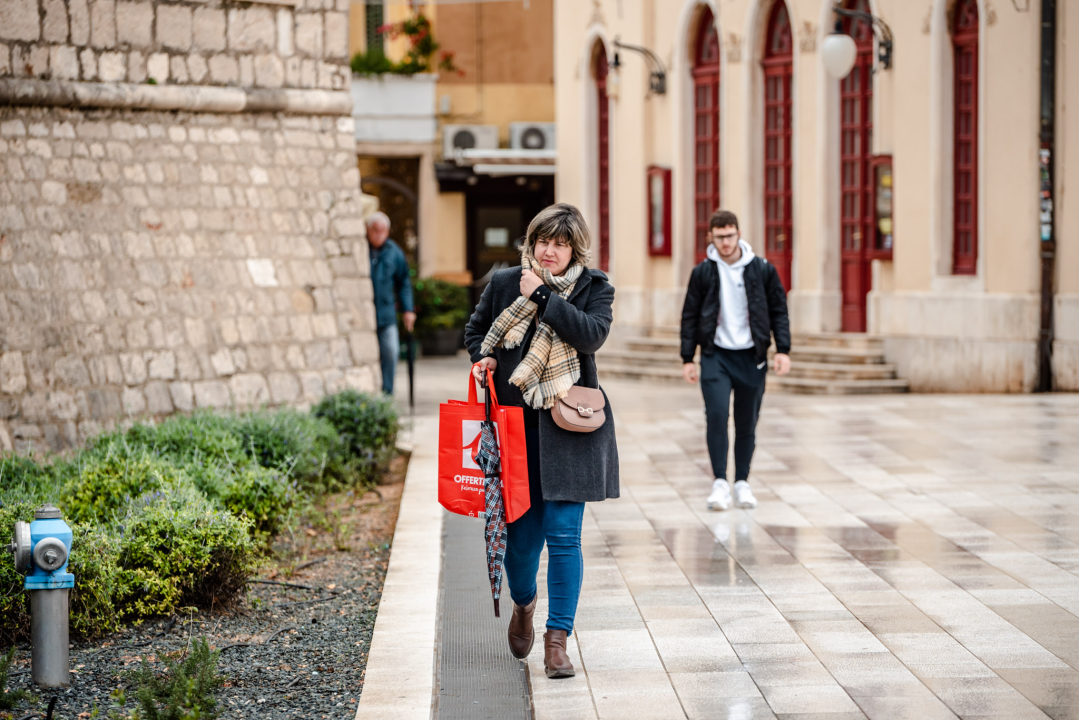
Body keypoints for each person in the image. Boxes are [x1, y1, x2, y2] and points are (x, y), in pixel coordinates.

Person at [464, 203, 618, 679]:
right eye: (542, 242)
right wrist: (483, 358)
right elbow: (476, 332)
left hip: (572, 427)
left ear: (575, 247)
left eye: (560, 243)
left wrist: (546, 298)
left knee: (566, 539)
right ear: (530, 243)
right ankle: (524, 604)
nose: (549, 251)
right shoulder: (505, 282)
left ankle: (557, 641)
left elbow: (591, 336)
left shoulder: (596, 287)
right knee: (521, 544)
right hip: (514, 432)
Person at [680, 209, 791, 511]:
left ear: (738, 234)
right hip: (716, 355)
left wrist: (783, 349)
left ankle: (742, 482)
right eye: (719, 237)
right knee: (716, 416)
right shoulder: (703, 271)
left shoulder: (762, 269)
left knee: (747, 422)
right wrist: (688, 357)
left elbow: (779, 310)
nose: (725, 243)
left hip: (751, 356)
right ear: (711, 238)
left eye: (730, 236)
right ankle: (719, 483)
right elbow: (689, 315)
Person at [366, 212, 415, 395]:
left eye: (382, 230)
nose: (379, 234)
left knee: (391, 352)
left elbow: (404, 283)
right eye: (375, 230)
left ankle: (387, 395)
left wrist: (408, 309)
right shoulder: (360, 248)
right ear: (368, 230)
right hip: (363, 316)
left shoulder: (394, 252)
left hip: (386, 315)